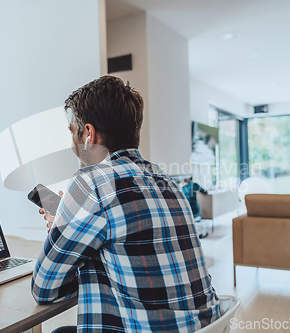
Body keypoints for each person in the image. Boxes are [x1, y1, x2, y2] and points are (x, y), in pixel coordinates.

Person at [31, 76, 220, 333]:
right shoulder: (166, 180)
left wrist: (60, 228)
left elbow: (44, 289)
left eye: (72, 129)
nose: (71, 138)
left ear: (88, 133)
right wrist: (71, 222)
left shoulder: (92, 184)